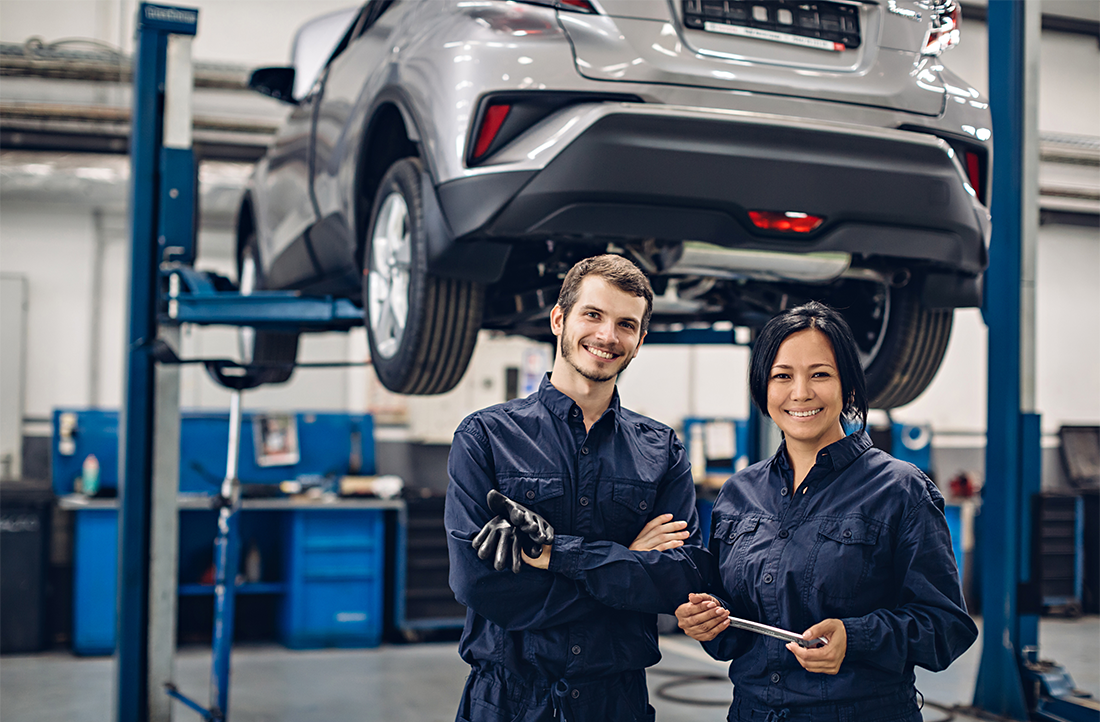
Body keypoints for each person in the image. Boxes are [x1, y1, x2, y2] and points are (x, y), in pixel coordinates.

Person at [675, 301, 977, 722]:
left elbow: (946, 628)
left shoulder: (899, 490)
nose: (800, 393)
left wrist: (855, 639)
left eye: (820, 374)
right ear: (764, 388)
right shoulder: (739, 493)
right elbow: (731, 637)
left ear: (848, 389)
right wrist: (707, 622)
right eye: (783, 376)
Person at [445, 254, 710, 722]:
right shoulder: (485, 437)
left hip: (615, 702)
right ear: (558, 319)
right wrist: (627, 558)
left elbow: (677, 581)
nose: (607, 336)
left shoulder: (661, 449)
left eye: (625, 324)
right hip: (508, 701)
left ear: (640, 340)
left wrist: (555, 556)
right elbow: (481, 583)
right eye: (593, 315)